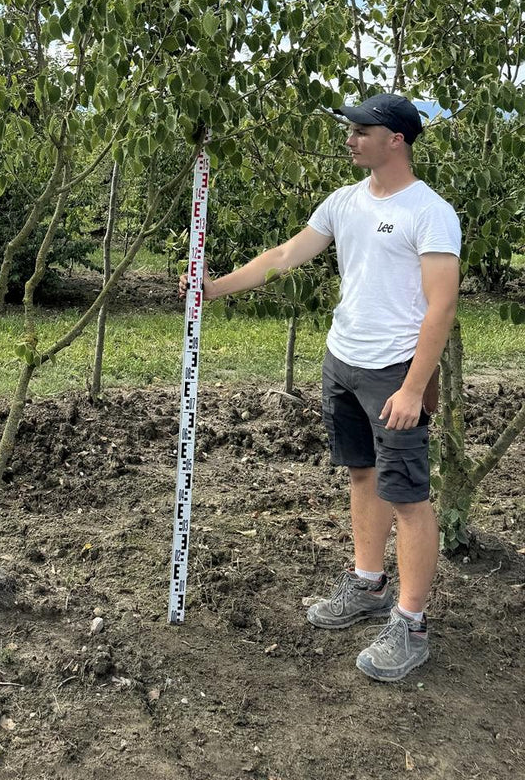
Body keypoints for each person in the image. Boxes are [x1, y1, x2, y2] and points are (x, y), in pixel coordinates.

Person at [179, 93, 460, 681]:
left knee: (408, 497)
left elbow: (441, 308)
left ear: (396, 140)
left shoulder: (430, 213)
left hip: (393, 373)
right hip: (342, 362)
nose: (351, 138)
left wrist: (412, 389)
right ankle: (368, 583)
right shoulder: (344, 202)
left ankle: (411, 623)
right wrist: (214, 286)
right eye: (351, 128)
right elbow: (285, 255)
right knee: (362, 473)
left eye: (362, 130)